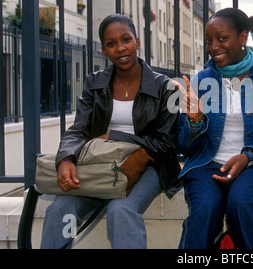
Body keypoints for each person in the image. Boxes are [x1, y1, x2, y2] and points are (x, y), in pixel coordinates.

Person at [40, 14, 181, 249]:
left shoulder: (166, 86)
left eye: (126, 39)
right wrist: (66, 157)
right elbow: (79, 128)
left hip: (150, 163)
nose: (120, 48)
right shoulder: (94, 83)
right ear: (104, 51)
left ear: (137, 41)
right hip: (103, 162)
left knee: (121, 209)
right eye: (111, 43)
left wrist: (118, 136)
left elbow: (167, 142)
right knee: (60, 209)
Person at [173, 8, 253, 249]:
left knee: (243, 203)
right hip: (207, 164)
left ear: (243, 37)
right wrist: (195, 120)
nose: (213, 46)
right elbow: (185, 147)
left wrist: (249, 156)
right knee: (204, 209)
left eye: (222, 38)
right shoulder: (199, 82)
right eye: (209, 40)